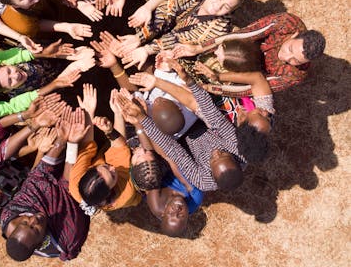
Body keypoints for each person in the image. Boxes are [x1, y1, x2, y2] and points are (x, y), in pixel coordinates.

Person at [120, 64, 269, 193]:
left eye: (213, 159)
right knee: (165, 86)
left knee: (149, 112)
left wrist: (142, 118)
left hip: (177, 136)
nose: (216, 152)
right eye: (222, 154)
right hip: (199, 118)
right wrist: (190, 82)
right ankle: (150, 72)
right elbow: (212, 116)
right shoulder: (239, 148)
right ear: (236, 159)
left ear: (211, 173)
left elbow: (173, 150)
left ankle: (122, 77)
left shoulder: (201, 180)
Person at [0, 108, 91, 261]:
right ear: (41, 242)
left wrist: (61, 141)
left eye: (25, 222)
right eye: (35, 229)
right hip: (76, 192)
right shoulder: (67, 238)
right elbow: (69, 189)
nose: (34, 219)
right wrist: (73, 144)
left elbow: (37, 178)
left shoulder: (10, 214)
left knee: (57, 134)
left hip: (51, 180)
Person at [172, 12, 326, 95]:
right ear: (295, 34)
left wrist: (207, 87)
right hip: (241, 47)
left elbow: (252, 86)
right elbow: (245, 34)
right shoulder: (285, 23)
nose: (286, 58)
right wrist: (199, 48)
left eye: (295, 61)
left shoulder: (294, 75)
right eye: (290, 49)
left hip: (247, 70)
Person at [116, 0, 245, 70]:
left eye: (226, 6)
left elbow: (178, 39)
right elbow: (167, 8)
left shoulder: (219, 27)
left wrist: (146, 50)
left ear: (231, 11)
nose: (218, 5)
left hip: (175, 45)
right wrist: (141, 36)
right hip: (161, 25)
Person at [120, 99, 203, 237]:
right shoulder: (195, 198)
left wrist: (139, 125)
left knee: (137, 135)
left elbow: (151, 165)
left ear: (163, 212)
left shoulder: (156, 204)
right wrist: (146, 120)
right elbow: (170, 159)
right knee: (167, 121)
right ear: (188, 216)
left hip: (153, 170)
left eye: (172, 213)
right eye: (180, 215)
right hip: (174, 160)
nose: (177, 210)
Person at [68, 85, 142, 211]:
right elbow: (120, 147)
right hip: (133, 184)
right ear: (109, 192)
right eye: (112, 176)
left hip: (108, 153)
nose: (113, 168)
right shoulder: (125, 190)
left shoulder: (75, 182)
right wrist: (117, 114)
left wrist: (88, 113)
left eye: (105, 167)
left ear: (88, 171)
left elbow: (86, 147)